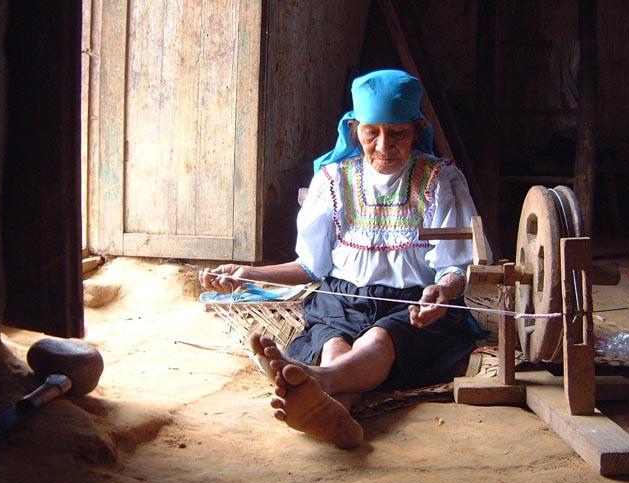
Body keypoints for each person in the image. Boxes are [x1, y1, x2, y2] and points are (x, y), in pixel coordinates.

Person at [199, 69, 490, 449]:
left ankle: (316, 380)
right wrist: (247, 274)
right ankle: (335, 413)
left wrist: (443, 290)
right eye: (372, 132)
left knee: (378, 340)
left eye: (398, 133)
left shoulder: (439, 180)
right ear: (355, 129)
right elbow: (310, 268)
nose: (384, 145)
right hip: (340, 298)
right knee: (336, 342)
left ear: (416, 130)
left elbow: (455, 267)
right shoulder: (333, 180)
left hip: (415, 303)